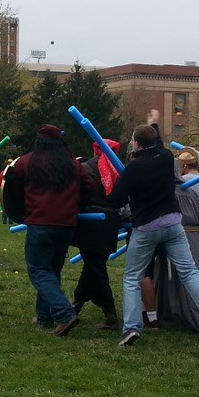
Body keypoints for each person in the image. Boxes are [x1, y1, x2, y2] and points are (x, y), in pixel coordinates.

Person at [107, 123, 199, 348]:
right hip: (174, 224)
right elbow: (158, 151)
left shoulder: (135, 168)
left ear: (136, 144)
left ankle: (132, 328)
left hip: (146, 227)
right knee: (189, 270)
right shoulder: (167, 158)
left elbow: (117, 199)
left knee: (132, 277)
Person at [2, 125, 96, 335]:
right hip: (67, 224)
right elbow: (88, 189)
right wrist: (74, 207)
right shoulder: (73, 165)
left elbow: (14, 191)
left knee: (39, 270)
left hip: (40, 223)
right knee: (51, 271)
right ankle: (45, 317)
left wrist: (24, 210)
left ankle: (64, 314)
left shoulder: (27, 162)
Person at [71, 139, 123, 331]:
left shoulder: (84, 168)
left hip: (90, 220)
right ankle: (75, 305)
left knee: (96, 269)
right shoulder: (118, 169)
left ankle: (110, 316)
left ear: (95, 151)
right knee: (93, 266)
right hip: (109, 222)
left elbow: (78, 193)